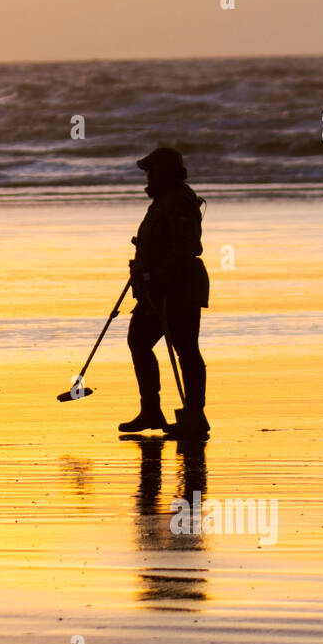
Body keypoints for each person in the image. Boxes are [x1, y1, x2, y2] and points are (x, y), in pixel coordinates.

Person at [120, 146, 210, 438]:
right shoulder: (163, 201)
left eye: (150, 171)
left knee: (185, 350)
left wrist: (160, 278)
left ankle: (194, 415)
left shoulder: (178, 202)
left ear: (164, 173)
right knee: (139, 341)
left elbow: (185, 248)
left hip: (178, 288)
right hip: (156, 289)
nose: (147, 177)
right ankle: (152, 410)